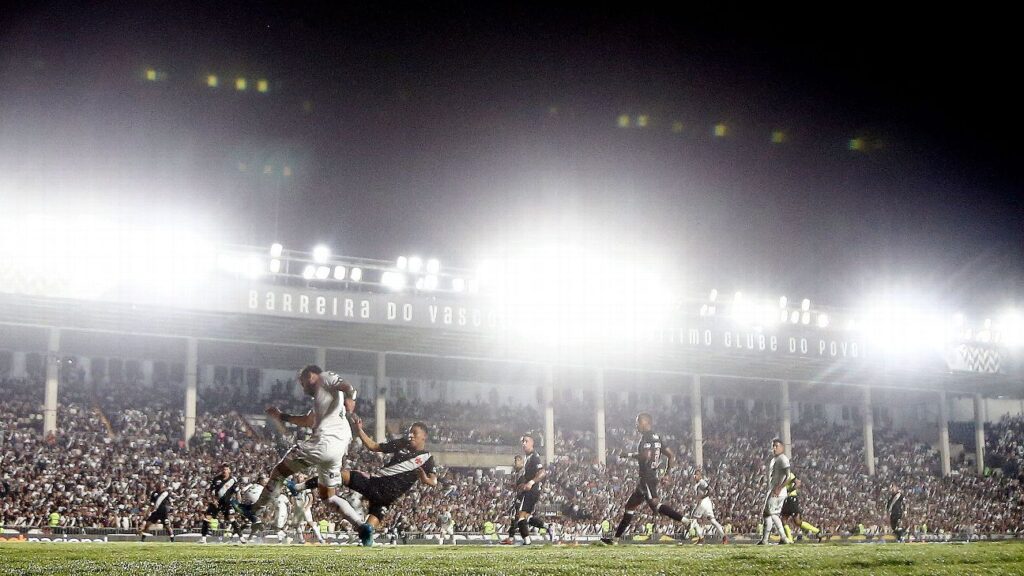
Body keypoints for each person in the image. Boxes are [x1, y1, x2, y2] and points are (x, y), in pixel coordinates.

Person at [248, 365, 362, 538]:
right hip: (337, 451)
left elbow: (348, 387)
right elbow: (307, 420)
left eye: (302, 383)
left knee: (279, 473)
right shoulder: (323, 402)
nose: (303, 388)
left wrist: (351, 401)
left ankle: (254, 511)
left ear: (310, 376)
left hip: (321, 444)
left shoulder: (324, 377)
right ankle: (363, 528)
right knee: (329, 497)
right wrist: (282, 416)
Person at [306, 420, 438, 546]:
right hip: (385, 493)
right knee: (367, 533)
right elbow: (374, 446)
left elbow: (434, 481)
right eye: (410, 432)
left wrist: (425, 479)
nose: (410, 435)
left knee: (340, 476)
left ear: (424, 436)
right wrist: (359, 430)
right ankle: (367, 539)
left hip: (380, 486)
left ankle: (302, 486)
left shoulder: (427, 458)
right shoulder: (402, 443)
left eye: (414, 433)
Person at [601, 413, 691, 545]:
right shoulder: (657, 437)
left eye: (638, 422)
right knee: (629, 506)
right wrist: (667, 473)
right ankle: (615, 539)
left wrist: (628, 454)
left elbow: (646, 456)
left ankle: (687, 522)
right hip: (649, 477)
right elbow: (671, 455)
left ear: (645, 422)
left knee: (655, 505)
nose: (636, 425)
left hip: (647, 477)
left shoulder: (646, 438)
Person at [501, 434, 549, 545]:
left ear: (532, 443)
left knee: (520, 515)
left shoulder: (534, 457)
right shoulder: (527, 460)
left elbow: (542, 472)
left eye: (526, 441)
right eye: (523, 441)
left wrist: (531, 482)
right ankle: (544, 528)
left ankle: (526, 540)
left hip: (530, 491)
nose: (523, 443)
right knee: (523, 516)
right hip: (527, 491)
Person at [757, 438, 791, 545]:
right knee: (769, 514)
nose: (774, 448)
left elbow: (788, 476)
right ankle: (772, 539)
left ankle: (771, 539)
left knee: (770, 514)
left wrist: (779, 487)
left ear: (782, 447)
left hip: (777, 491)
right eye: (773, 446)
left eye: (777, 446)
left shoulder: (783, 459)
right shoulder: (775, 459)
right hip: (774, 490)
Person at [200, 464, 242, 543]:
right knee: (207, 518)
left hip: (227, 502)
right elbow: (212, 491)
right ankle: (203, 539)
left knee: (232, 519)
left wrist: (238, 504)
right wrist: (213, 500)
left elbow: (237, 492)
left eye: (226, 469)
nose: (224, 471)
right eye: (223, 469)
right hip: (217, 502)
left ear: (229, 470)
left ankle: (241, 537)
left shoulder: (233, 480)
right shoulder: (216, 479)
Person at [779, 472, 824, 542]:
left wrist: (790, 490)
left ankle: (817, 531)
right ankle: (790, 540)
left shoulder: (789, 474)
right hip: (785, 499)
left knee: (797, 521)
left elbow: (798, 483)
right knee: (784, 520)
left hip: (791, 498)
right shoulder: (779, 475)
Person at [690, 469, 727, 544]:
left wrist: (702, 497)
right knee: (712, 520)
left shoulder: (702, 482)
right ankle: (724, 536)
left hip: (703, 502)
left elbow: (710, 490)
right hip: (707, 502)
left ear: (700, 476)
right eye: (695, 474)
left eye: (697, 474)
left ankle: (701, 538)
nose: (695, 476)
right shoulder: (697, 483)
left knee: (694, 519)